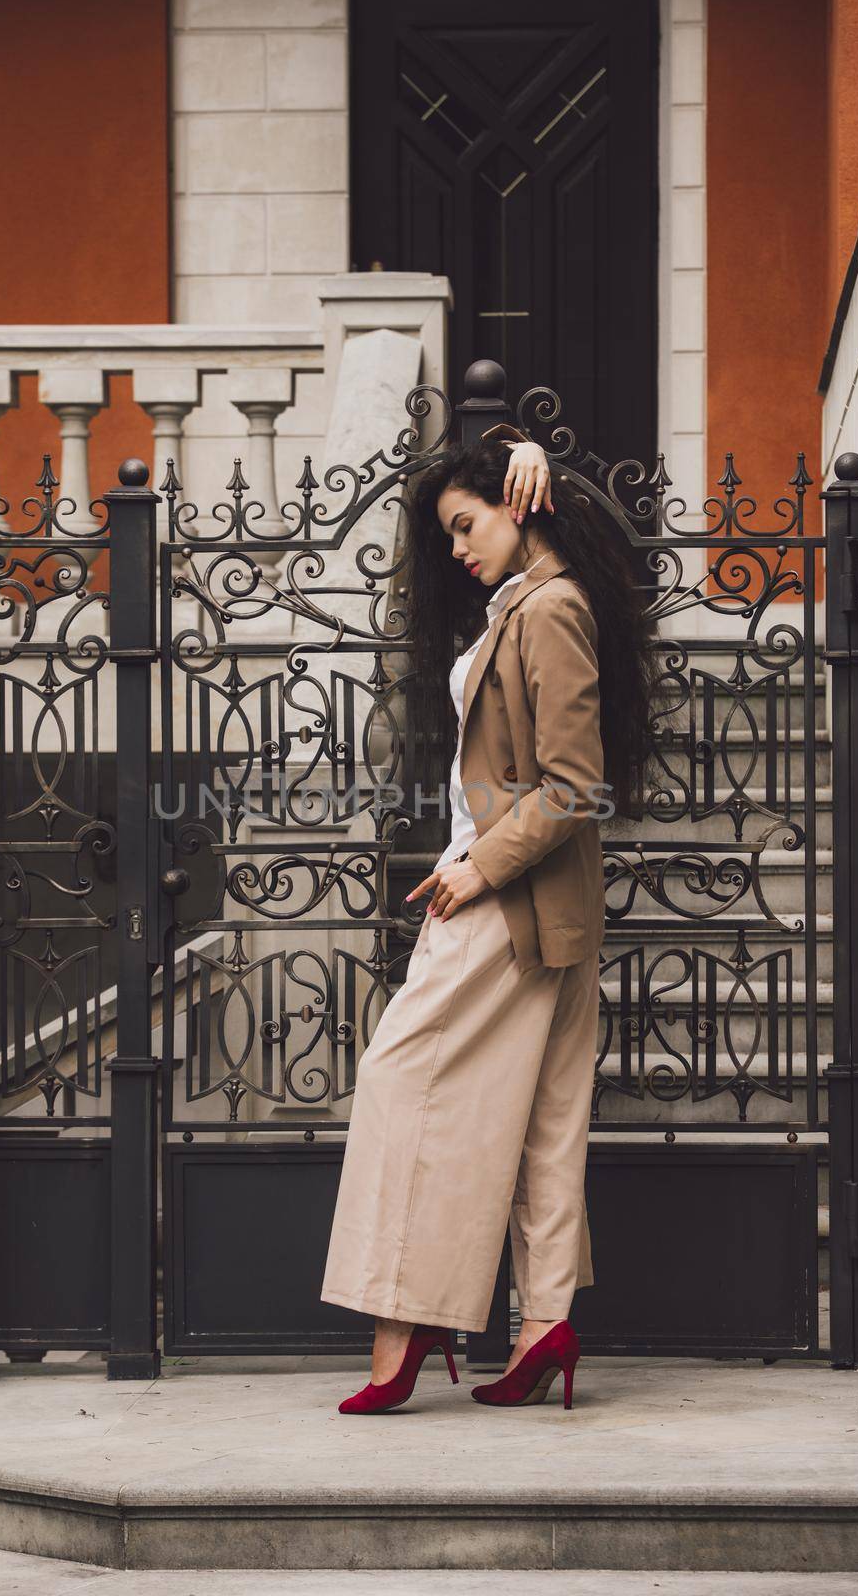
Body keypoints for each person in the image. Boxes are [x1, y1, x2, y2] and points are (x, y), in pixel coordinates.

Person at [320, 427, 659, 1414]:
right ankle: (543, 1324)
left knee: (397, 1081)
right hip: (548, 908)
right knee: (548, 1128)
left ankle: (408, 1321)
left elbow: (574, 785)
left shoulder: (549, 608)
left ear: (517, 504)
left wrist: (475, 866)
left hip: (506, 898)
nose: (459, 549)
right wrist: (523, 448)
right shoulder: (539, 600)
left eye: (467, 524)